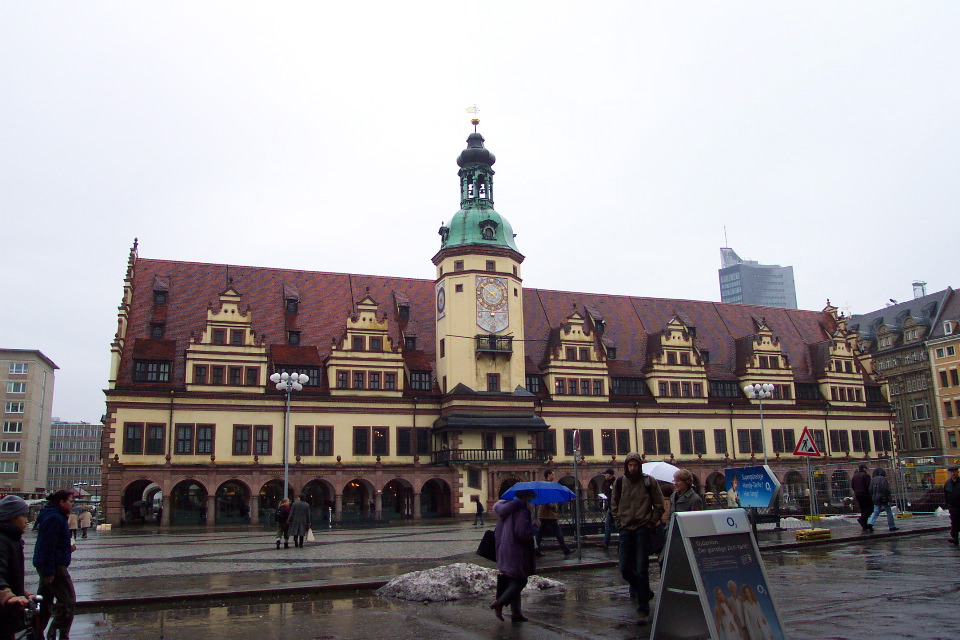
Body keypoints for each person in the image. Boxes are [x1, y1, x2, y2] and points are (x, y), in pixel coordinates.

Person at [611, 452, 665, 624]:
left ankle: (643, 608)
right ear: (626, 466)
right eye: (630, 465)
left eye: (635, 465)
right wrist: (619, 523)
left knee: (642, 568)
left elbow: (659, 505)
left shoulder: (649, 482)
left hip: (642, 529)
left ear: (639, 466)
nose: (632, 468)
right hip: (625, 529)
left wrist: (651, 523)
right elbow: (614, 505)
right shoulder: (619, 482)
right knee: (625, 568)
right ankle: (645, 590)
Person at [33, 490, 77, 640]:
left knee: (44, 603)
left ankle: (36, 634)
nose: (72, 504)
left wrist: (67, 546)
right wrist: (48, 571)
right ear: (61, 502)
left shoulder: (55, 516)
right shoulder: (54, 518)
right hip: (54, 566)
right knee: (68, 600)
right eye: (71, 501)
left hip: (48, 564)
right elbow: (47, 546)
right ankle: (58, 633)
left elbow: (52, 543)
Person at [488, 489, 537, 623]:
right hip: (516, 551)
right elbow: (522, 532)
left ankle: (516, 613)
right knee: (521, 580)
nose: (531, 499)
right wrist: (534, 526)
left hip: (504, 549)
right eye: (531, 496)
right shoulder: (521, 510)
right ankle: (499, 603)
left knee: (513, 580)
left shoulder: (504, 509)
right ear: (526, 496)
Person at [0, 495, 32, 640]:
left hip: (7, 611)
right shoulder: (2, 540)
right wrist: (7, 595)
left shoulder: (13, 538)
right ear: (12, 517)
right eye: (22, 515)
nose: (26, 520)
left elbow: (11, 575)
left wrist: (22, 592)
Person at [534, 470, 573, 557]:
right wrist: (554, 506)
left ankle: (535, 550)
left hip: (544, 513)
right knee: (556, 531)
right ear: (549, 475)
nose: (554, 476)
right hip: (548, 514)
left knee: (540, 532)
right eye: (553, 474)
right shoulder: (548, 486)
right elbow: (549, 501)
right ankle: (565, 549)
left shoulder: (544, 485)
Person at [866, 467, 898, 532]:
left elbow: (870, 490)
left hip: (875, 497)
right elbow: (886, 489)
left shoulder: (873, 479)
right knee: (888, 511)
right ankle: (892, 526)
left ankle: (870, 523)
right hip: (883, 497)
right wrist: (889, 497)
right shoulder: (883, 479)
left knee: (876, 511)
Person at [851, 463, 873, 531]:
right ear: (864, 468)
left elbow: (852, 485)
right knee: (870, 508)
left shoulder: (855, 475)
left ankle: (864, 525)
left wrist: (856, 491)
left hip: (857, 494)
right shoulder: (865, 475)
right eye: (866, 468)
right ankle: (862, 519)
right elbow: (869, 485)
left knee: (863, 509)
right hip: (865, 493)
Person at [945, 465, 960, 545]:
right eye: (951, 472)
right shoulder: (948, 483)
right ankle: (955, 537)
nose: (953, 474)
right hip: (952, 507)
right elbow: (946, 494)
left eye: (954, 472)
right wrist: (947, 505)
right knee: (954, 522)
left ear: (957, 472)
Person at [601, 468, 616, 548]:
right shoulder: (608, 483)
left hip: (614, 508)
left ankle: (623, 541)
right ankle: (605, 543)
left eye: (605, 474)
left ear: (609, 475)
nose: (604, 475)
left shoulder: (615, 483)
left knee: (618, 525)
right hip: (610, 507)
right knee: (607, 524)